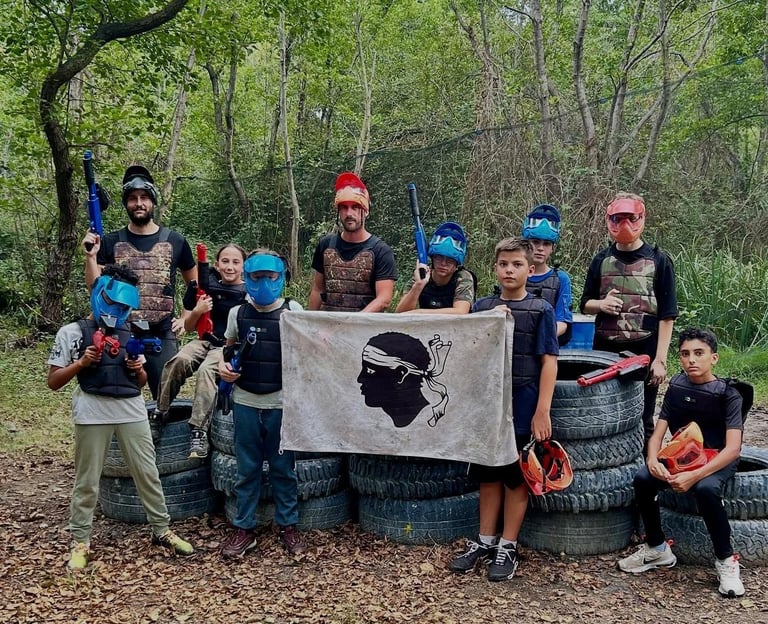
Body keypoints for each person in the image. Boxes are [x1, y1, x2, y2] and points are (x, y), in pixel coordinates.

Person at [47, 264, 194, 571]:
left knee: (147, 473)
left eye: (125, 307)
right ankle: (80, 541)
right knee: (87, 480)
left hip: (131, 408)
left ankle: (161, 530)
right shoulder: (71, 333)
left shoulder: (132, 331)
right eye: (114, 304)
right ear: (100, 296)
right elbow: (54, 381)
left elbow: (139, 381)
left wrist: (137, 369)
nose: (118, 312)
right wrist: (82, 363)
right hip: (91, 409)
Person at [450, 237, 559, 581]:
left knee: (516, 476)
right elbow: (467, 351)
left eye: (516, 264)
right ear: (495, 268)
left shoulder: (541, 310)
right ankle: (484, 542)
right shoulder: (483, 307)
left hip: (524, 404)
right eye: (503, 264)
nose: (509, 270)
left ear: (530, 269)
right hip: (487, 405)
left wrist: (543, 410)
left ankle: (507, 546)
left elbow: (550, 363)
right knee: (489, 474)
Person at [617, 328, 745, 598]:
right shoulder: (677, 388)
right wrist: (653, 459)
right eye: (685, 354)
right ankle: (657, 548)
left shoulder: (729, 394)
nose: (691, 360)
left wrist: (695, 476)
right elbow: (657, 433)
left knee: (706, 490)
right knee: (642, 479)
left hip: (716, 459)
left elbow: (733, 449)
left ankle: (726, 560)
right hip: (683, 458)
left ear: (714, 358)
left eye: (699, 353)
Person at [82, 165, 196, 415]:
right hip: (119, 330)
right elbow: (94, 286)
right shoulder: (110, 241)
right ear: (126, 204)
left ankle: (164, 446)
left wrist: (187, 317)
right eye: (133, 199)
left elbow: (194, 285)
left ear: (152, 201)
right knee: (114, 395)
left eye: (144, 198)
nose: (139, 203)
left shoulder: (174, 241)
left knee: (165, 398)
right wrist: (91, 256)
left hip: (161, 331)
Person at [219, 249, 305, 558]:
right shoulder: (237, 313)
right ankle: (244, 528)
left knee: (283, 468)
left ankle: (288, 526)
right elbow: (228, 350)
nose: (265, 283)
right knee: (247, 468)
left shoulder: (294, 309)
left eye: (271, 277)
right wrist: (223, 367)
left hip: (281, 403)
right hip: (245, 400)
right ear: (248, 278)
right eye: (257, 277)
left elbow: (307, 352)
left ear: (280, 277)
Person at [580, 193, 678, 444]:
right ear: (609, 220)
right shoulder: (601, 260)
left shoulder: (659, 260)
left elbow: (667, 315)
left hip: (644, 346)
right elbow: (585, 305)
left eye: (630, 218)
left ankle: (646, 469)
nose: (624, 225)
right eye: (618, 219)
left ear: (641, 218)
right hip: (605, 347)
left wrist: (661, 360)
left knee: (644, 415)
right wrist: (601, 304)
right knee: (602, 412)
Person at [153, 244, 247, 458]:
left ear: (243, 266)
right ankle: (160, 412)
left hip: (226, 345)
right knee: (178, 360)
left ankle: (198, 431)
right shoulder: (204, 286)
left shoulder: (249, 292)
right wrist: (197, 310)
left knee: (206, 371)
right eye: (225, 261)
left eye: (235, 262)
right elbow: (187, 327)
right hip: (203, 339)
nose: (230, 267)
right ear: (216, 264)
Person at [308, 171, 397, 312]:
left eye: (355, 207)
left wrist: (353, 322)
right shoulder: (326, 245)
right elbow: (318, 290)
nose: (349, 213)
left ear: (365, 211)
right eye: (344, 207)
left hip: (363, 329)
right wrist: (309, 324)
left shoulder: (380, 251)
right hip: (329, 326)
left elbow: (384, 299)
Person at [521, 204, 573, 345]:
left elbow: (562, 322)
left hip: (547, 347)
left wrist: (540, 336)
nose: (540, 248)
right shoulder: (515, 274)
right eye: (535, 242)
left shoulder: (560, 279)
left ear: (552, 248)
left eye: (546, 244)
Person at [395, 221, 475, 314]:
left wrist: (420, 313)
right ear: (432, 258)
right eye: (439, 257)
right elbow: (400, 313)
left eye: (450, 260)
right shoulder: (422, 276)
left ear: (456, 264)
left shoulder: (462, 277)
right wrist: (418, 286)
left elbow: (460, 312)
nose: (443, 263)